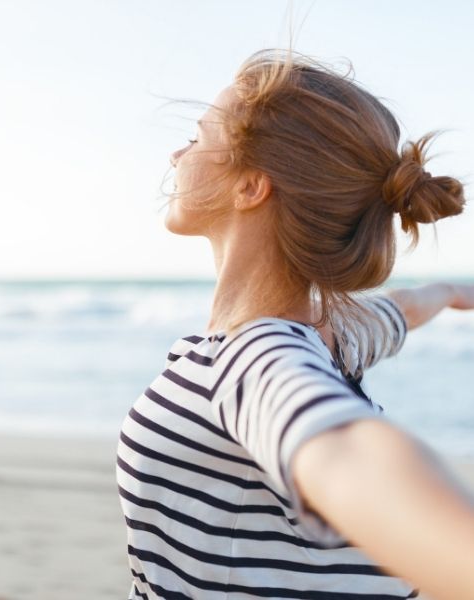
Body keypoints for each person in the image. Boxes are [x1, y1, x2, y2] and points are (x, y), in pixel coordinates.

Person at [117, 48, 474, 600]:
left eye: (197, 135)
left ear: (250, 187)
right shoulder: (332, 332)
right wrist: (452, 291)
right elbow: (400, 311)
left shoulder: (254, 358)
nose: (176, 154)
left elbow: (346, 454)